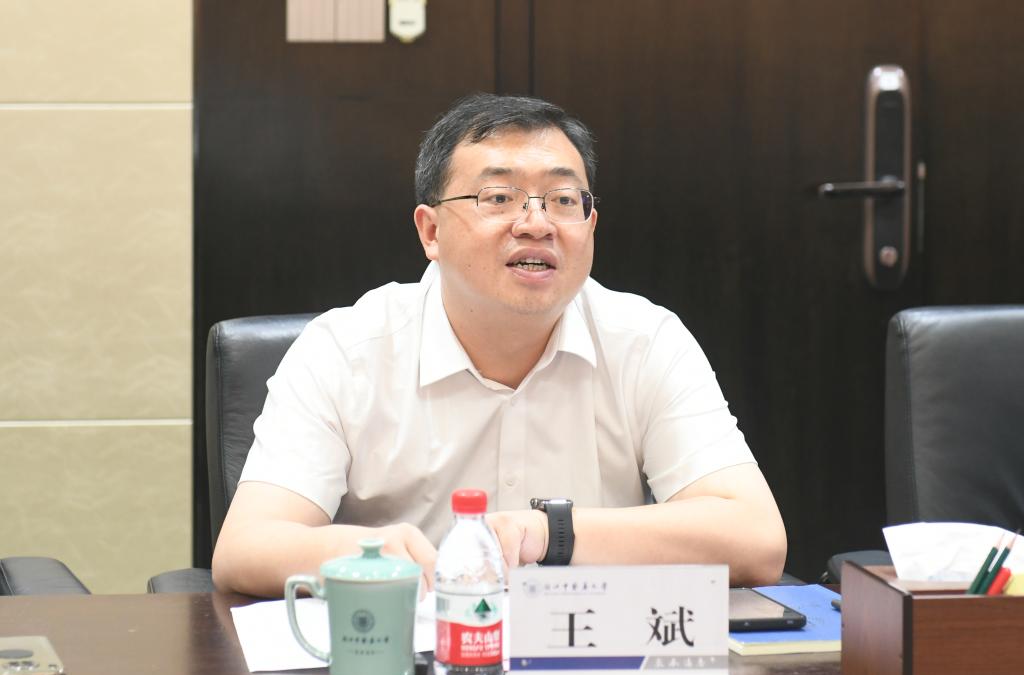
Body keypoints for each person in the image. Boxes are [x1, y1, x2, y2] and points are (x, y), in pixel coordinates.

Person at [211, 93, 787, 597]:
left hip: (587, 653)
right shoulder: (345, 350)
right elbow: (246, 548)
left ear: (591, 227)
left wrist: (550, 534)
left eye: (563, 200)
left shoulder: (645, 341)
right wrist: (369, 554)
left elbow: (756, 539)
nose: (536, 224)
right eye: (499, 197)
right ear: (431, 231)